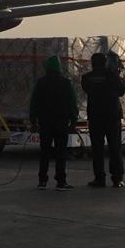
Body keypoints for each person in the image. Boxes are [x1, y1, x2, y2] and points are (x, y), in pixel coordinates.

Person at [30, 56, 77, 190]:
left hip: (45, 123)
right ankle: (61, 181)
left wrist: (33, 121)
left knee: (44, 152)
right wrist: (73, 122)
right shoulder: (66, 83)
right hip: (61, 123)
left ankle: (42, 181)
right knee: (60, 153)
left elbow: (34, 103)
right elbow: (72, 103)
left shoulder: (41, 83)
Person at [81, 52, 125, 188]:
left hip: (95, 117)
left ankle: (99, 178)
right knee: (115, 148)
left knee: (97, 149)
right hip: (112, 116)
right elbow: (122, 91)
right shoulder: (113, 76)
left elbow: (86, 89)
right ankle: (117, 178)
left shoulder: (87, 78)